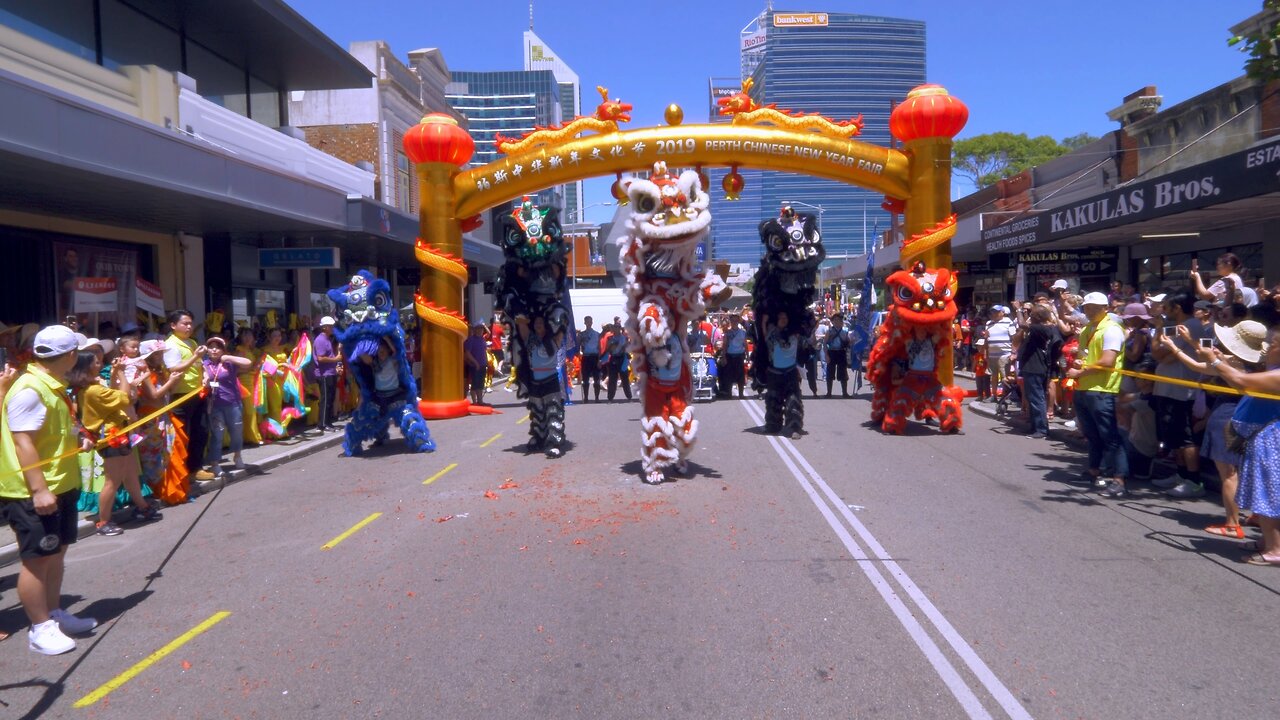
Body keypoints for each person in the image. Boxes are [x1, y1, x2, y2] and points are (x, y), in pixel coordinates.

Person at [0, 325, 99, 654]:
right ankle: (39, 628)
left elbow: (47, 430)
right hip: (36, 491)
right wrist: (39, 490)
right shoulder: (30, 388)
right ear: (70, 355)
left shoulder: (51, 385)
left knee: (56, 553)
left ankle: (54, 614)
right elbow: (22, 440)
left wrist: (78, 436)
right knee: (37, 560)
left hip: (61, 484)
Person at [1199, 324, 1280, 566]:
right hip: (1260, 436)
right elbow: (1240, 382)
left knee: (1267, 494)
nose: (1267, 348)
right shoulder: (1272, 369)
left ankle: (1275, 549)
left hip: (1270, 438)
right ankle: (1268, 542)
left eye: (1273, 344)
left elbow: (1242, 381)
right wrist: (1223, 363)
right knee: (1262, 492)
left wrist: (1215, 362)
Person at [71, 350, 162, 536]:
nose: (100, 363)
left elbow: (114, 394)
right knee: (112, 482)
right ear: (87, 367)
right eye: (96, 362)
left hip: (120, 434)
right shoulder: (93, 390)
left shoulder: (89, 388)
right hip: (112, 439)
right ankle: (103, 521)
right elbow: (125, 398)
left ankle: (142, 507)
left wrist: (113, 374)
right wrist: (120, 373)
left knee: (129, 474)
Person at [1066, 292, 1128, 498]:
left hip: (1102, 389)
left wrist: (1079, 371)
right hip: (1084, 387)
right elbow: (1086, 355)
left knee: (1109, 435)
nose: (1089, 311)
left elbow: (1107, 361)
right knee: (1092, 434)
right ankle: (1095, 470)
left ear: (1105, 308)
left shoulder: (1111, 329)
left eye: (1094, 307)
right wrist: (1078, 362)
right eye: (1087, 307)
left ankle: (1119, 479)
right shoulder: (1088, 329)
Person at [1150, 291, 1208, 499]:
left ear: (1178, 308)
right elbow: (1159, 352)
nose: (1163, 310)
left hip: (1182, 391)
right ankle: (1181, 476)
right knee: (1174, 435)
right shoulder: (1180, 327)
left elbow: (1161, 355)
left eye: (1167, 307)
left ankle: (1193, 480)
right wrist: (1159, 331)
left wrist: (1158, 330)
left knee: (1185, 436)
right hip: (1169, 389)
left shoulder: (1189, 327)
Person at [164, 310, 213, 483]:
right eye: (185, 323)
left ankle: (196, 467)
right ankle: (180, 470)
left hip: (198, 392)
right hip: (181, 395)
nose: (189, 327)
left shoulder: (192, 342)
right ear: (173, 325)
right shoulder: (170, 345)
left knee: (201, 431)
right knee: (182, 434)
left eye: (190, 323)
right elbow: (174, 369)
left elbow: (200, 365)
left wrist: (205, 375)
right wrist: (195, 357)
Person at [203, 336, 252, 476]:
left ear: (223, 350)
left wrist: (229, 358)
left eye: (217, 347)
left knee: (236, 431)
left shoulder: (228, 363)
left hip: (233, 403)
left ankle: (237, 456)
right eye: (211, 346)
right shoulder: (204, 364)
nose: (214, 349)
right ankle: (215, 463)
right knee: (217, 434)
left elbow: (248, 363)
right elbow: (203, 378)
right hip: (215, 404)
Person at [1015, 305, 1062, 439]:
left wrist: (1018, 310)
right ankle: (1036, 426)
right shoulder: (1042, 329)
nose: (1030, 317)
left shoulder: (1041, 328)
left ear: (1037, 317)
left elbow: (1022, 324)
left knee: (1037, 399)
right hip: (1034, 367)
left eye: (1033, 315)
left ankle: (1041, 429)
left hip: (1035, 368)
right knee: (1034, 398)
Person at [762, 310, 804, 438]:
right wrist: (763, 322)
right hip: (774, 373)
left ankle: (794, 428)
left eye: (785, 317)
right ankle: (773, 425)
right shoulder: (772, 333)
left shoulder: (794, 333)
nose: (783, 319)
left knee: (793, 401)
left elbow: (809, 328)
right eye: (780, 318)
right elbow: (764, 337)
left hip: (790, 372)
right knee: (773, 400)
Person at [313, 317, 341, 431]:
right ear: (324, 327)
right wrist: (335, 360)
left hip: (330, 372)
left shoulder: (327, 339)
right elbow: (320, 358)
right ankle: (322, 424)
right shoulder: (320, 340)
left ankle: (328, 422)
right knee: (326, 399)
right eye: (330, 326)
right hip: (323, 374)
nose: (332, 328)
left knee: (330, 398)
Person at [985, 305, 1016, 395]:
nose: (994, 313)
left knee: (1005, 376)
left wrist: (1013, 352)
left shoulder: (1008, 322)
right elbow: (987, 339)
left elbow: (1014, 338)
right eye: (993, 312)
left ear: (1002, 313)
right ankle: (994, 394)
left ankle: (1006, 395)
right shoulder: (988, 323)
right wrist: (986, 353)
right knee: (993, 376)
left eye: (997, 312)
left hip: (1005, 353)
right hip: (992, 354)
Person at [720, 314, 748, 398]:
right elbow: (725, 345)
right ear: (730, 322)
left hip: (739, 356)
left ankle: (741, 394)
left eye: (736, 320)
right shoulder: (728, 333)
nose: (734, 322)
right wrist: (723, 356)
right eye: (732, 321)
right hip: (730, 355)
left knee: (741, 375)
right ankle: (729, 393)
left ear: (738, 321)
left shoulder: (742, 332)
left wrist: (747, 356)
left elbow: (745, 344)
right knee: (729, 376)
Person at [602, 323, 632, 402]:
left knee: (625, 378)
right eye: (615, 327)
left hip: (622, 358)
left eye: (618, 327)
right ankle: (610, 398)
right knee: (612, 379)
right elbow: (607, 350)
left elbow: (628, 348)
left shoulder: (625, 338)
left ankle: (629, 396)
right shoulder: (610, 338)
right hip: (613, 358)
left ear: (620, 328)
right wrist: (611, 346)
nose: (616, 329)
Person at [823, 313, 850, 397]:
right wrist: (826, 355)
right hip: (832, 352)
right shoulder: (830, 331)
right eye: (835, 320)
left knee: (843, 373)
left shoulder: (845, 330)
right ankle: (829, 393)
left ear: (842, 321)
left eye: (839, 320)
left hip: (841, 352)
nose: (837, 322)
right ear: (833, 321)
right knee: (830, 373)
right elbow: (825, 343)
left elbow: (848, 341)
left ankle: (845, 393)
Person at [576, 316, 602, 403]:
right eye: (587, 321)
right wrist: (578, 354)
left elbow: (599, 348)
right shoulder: (581, 334)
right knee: (585, 379)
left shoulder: (597, 334)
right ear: (585, 322)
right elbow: (577, 346)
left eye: (590, 321)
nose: (588, 323)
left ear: (592, 322)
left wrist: (599, 360)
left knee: (596, 379)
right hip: (586, 357)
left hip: (594, 357)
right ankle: (586, 397)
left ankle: (597, 398)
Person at [463, 323, 489, 406]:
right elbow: (467, 353)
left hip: (483, 364)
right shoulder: (471, 339)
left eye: (481, 329)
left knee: (480, 383)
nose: (481, 330)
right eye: (479, 329)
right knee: (475, 383)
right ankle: (474, 402)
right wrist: (475, 362)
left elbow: (484, 352)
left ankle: (480, 400)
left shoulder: (482, 339)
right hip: (475, 365)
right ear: (475, 330)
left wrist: (487, 362)